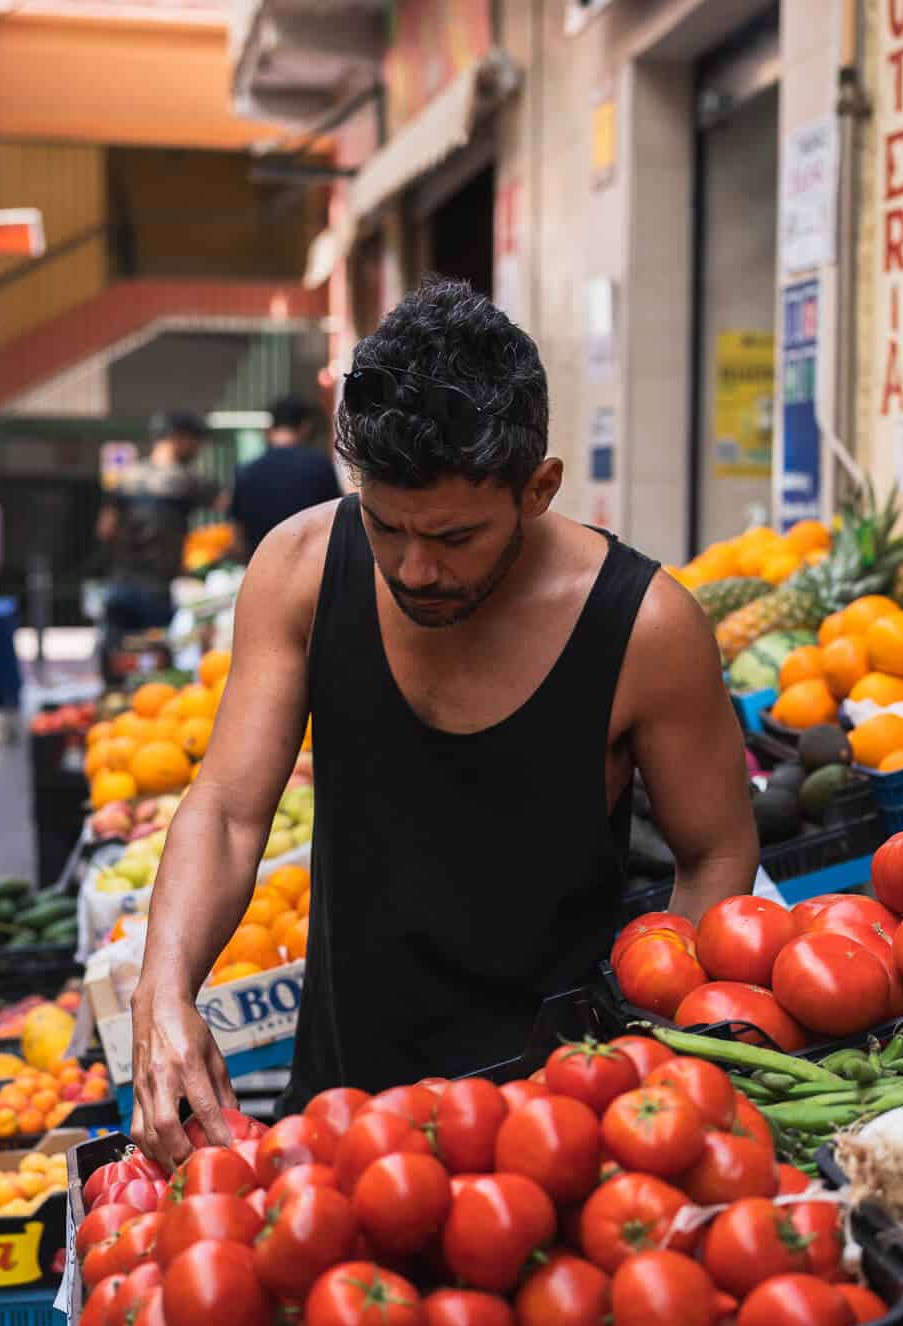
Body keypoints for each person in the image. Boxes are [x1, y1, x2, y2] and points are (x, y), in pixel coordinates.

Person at [130, 278, 758, 1167]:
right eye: (387, 528)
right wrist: (164, 990)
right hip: (340, 1113)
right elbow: (229, 811)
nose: (415, 568)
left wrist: (650, 1057)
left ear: (538, 490)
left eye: (456, 538)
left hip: (558, 1132)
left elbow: (716, 853)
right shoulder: (302, 568)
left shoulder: (645, 628)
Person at [96, 411, 213, 678]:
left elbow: (105, 529)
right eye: (196, 442)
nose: (197, 450)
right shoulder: (186, 481)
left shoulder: (125, 477)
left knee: (117, 663)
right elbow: (225, 506)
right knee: (157, 670)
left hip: (121, 584)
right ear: (179, 439)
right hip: (158, 589)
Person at [229, 396, 342, 558]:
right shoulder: (320, 467)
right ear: (305, 427)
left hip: (259, 568)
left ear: (270, 429)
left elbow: (238, 538)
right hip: (308, 568)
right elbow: (336, 523)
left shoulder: (245, 471)